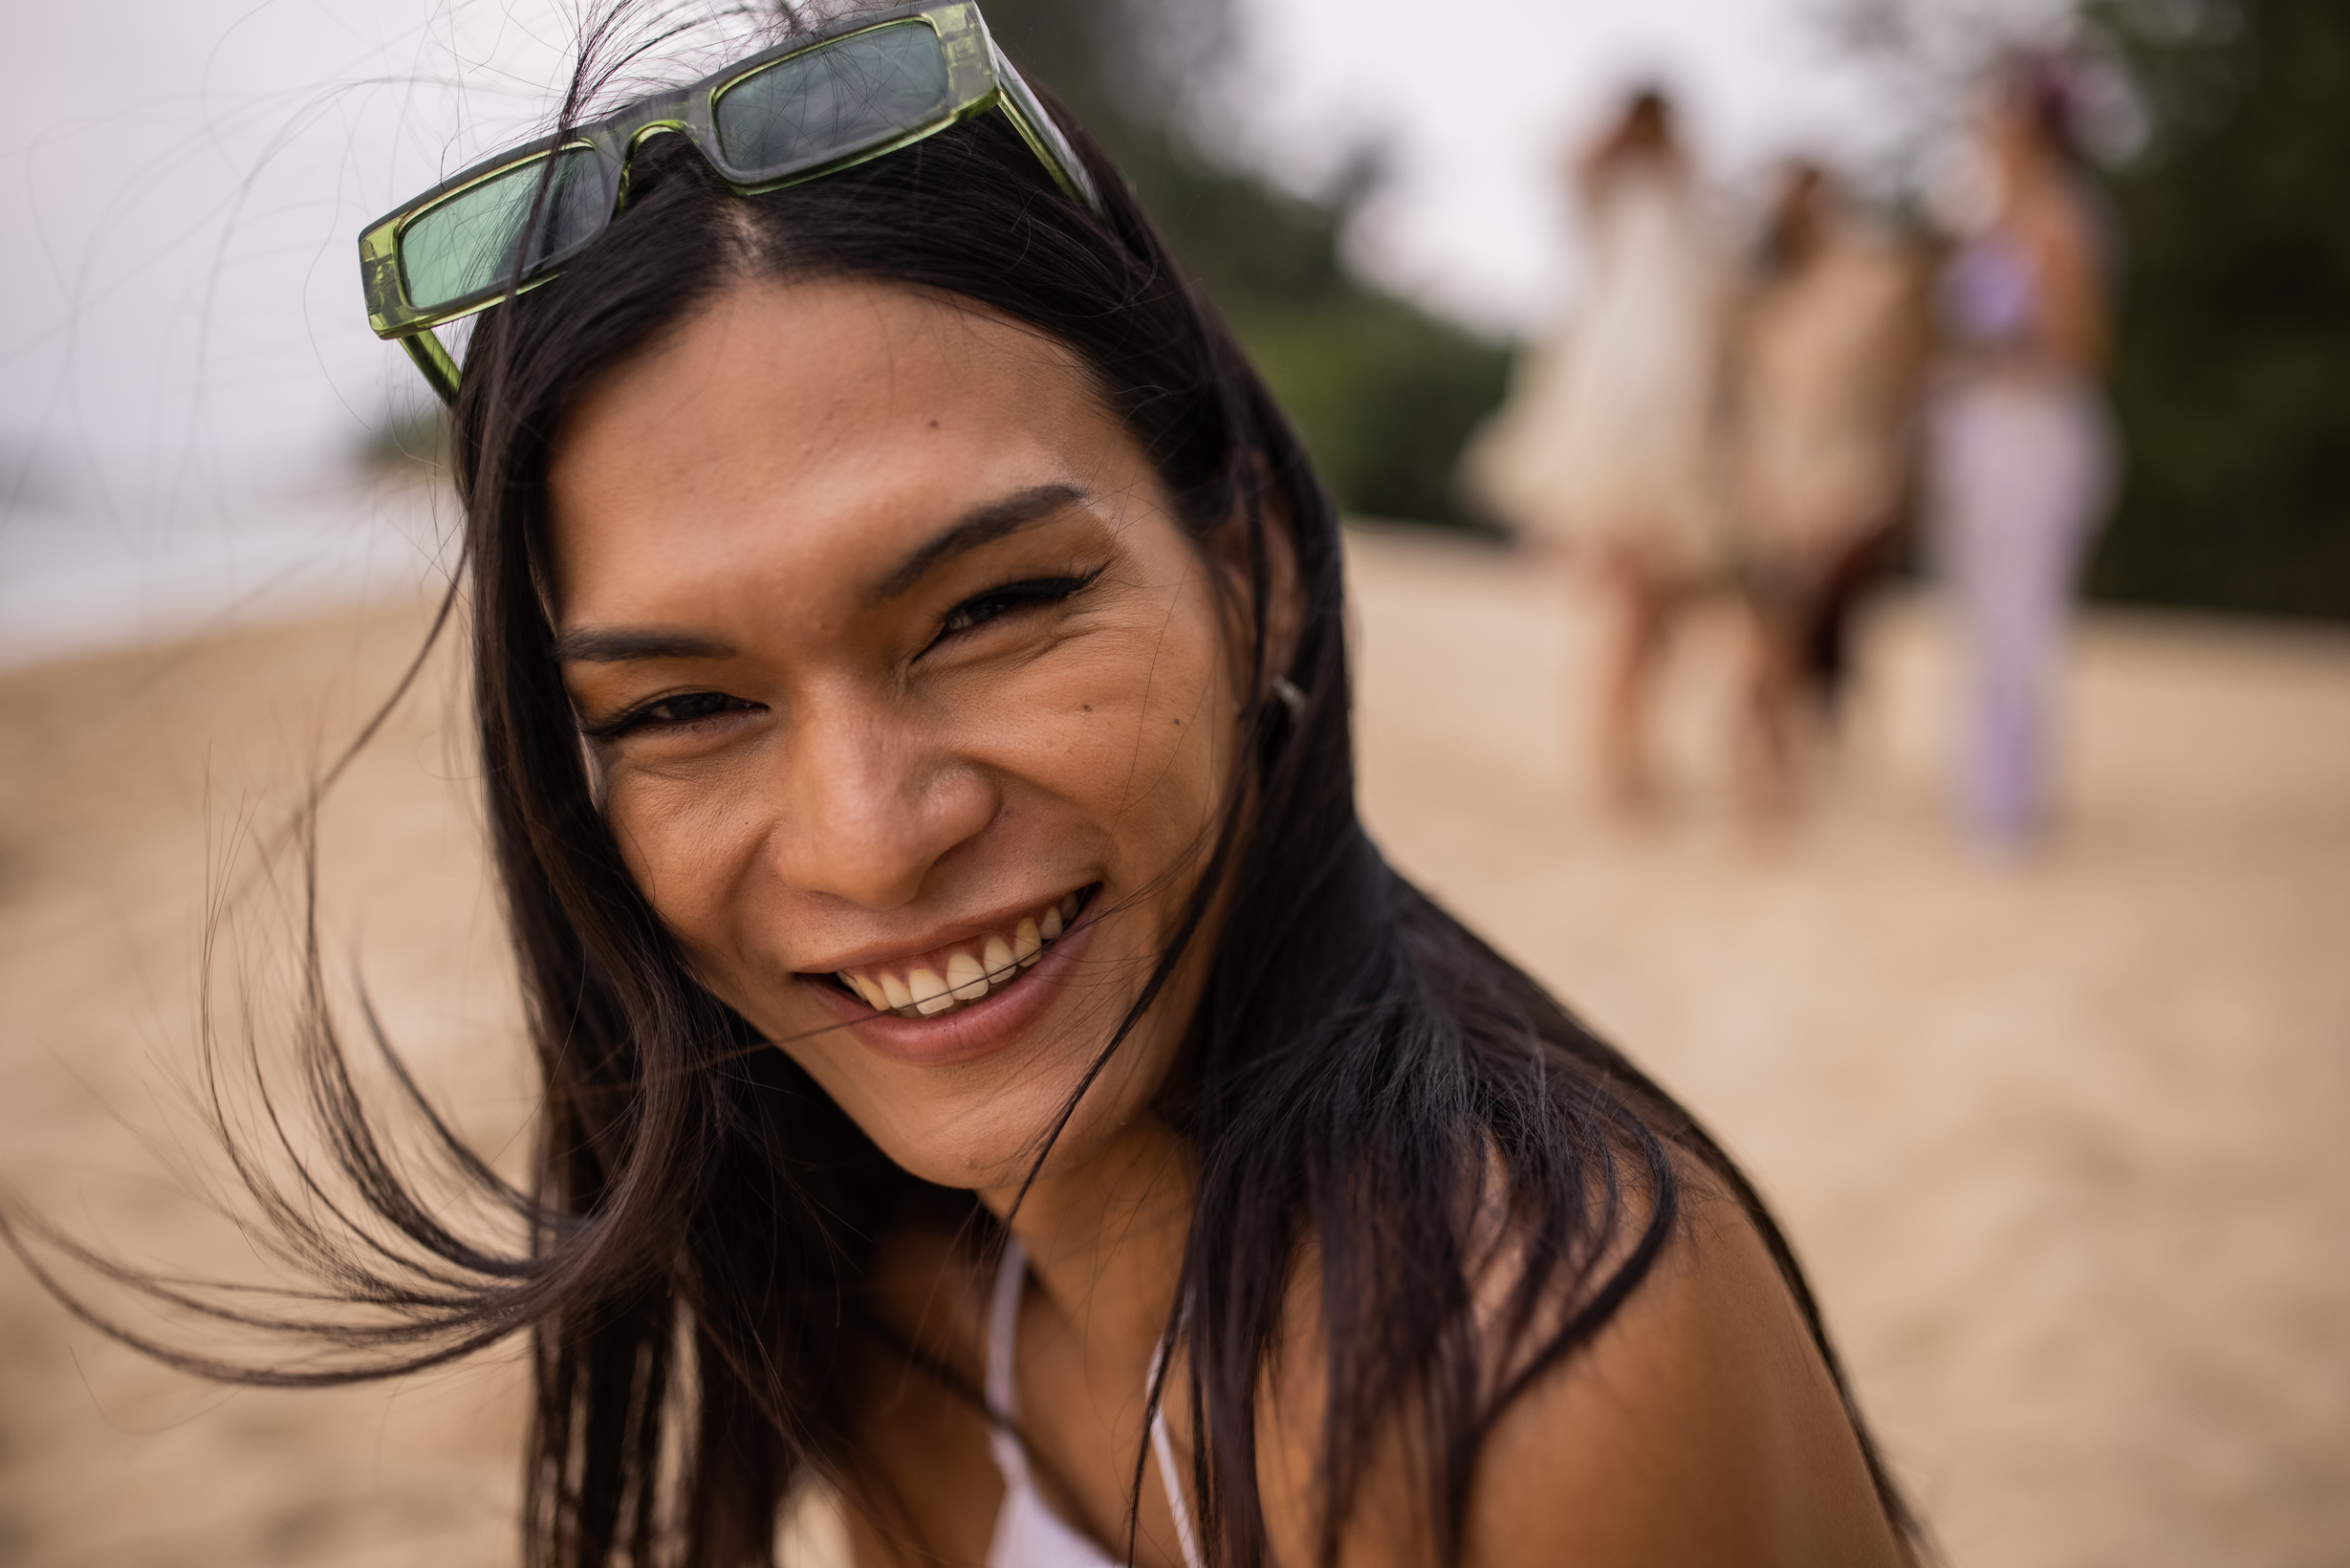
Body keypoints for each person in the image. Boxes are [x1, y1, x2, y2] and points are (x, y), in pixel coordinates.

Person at [28, 8, 1920, 1563]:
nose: (869, 835)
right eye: (684, 709)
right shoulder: (884, 1280)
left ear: (1248, 565)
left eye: (996, 605)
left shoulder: (1538, 1377)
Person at [1465, 88, 1731, 811]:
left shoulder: (1684, 212)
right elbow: (1566, 164)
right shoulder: (1620, 202)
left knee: (1650, 598)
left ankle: (1624, 748)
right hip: (1629, 425)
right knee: (1638, 596)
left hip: (1662, 424)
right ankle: (1619, 757)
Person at [1927, 59, 2117, 852]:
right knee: (1982, 623)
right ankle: (1991, 797)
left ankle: (2007, 814)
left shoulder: (2062, 220)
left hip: (2030, 436)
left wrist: (1980, 363)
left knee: (2017, 625)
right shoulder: (1997, 217)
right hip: (1982, 431)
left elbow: (2078, 348)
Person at [1724, 161, 1928, 813]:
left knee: (1813, 627)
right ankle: (1766, 769)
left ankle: (1779, 761)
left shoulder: (1872, 283)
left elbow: (1900, 386)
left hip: (1843, 480)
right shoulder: (1753, 290)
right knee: (1771, 631)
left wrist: (1894, 482)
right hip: (1765, 476)